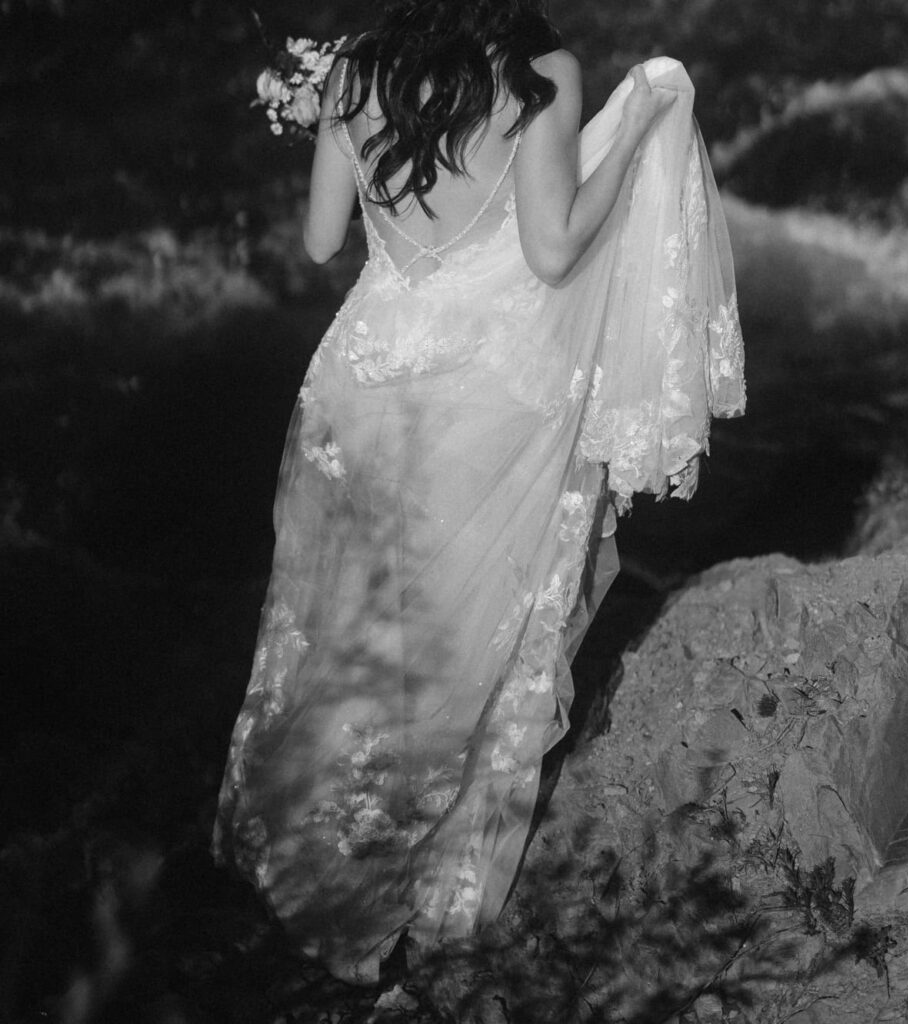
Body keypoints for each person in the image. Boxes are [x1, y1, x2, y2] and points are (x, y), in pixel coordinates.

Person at [212, 0, 744, 987]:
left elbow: (326, 241)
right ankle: (433, 901)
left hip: (359, 381)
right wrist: (632, 129)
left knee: (344, 634)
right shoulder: (538, 72)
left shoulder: (352, 70)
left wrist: (342, 120)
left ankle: (320, 879)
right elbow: (552, 253)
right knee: (480, 643)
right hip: (487, 392)